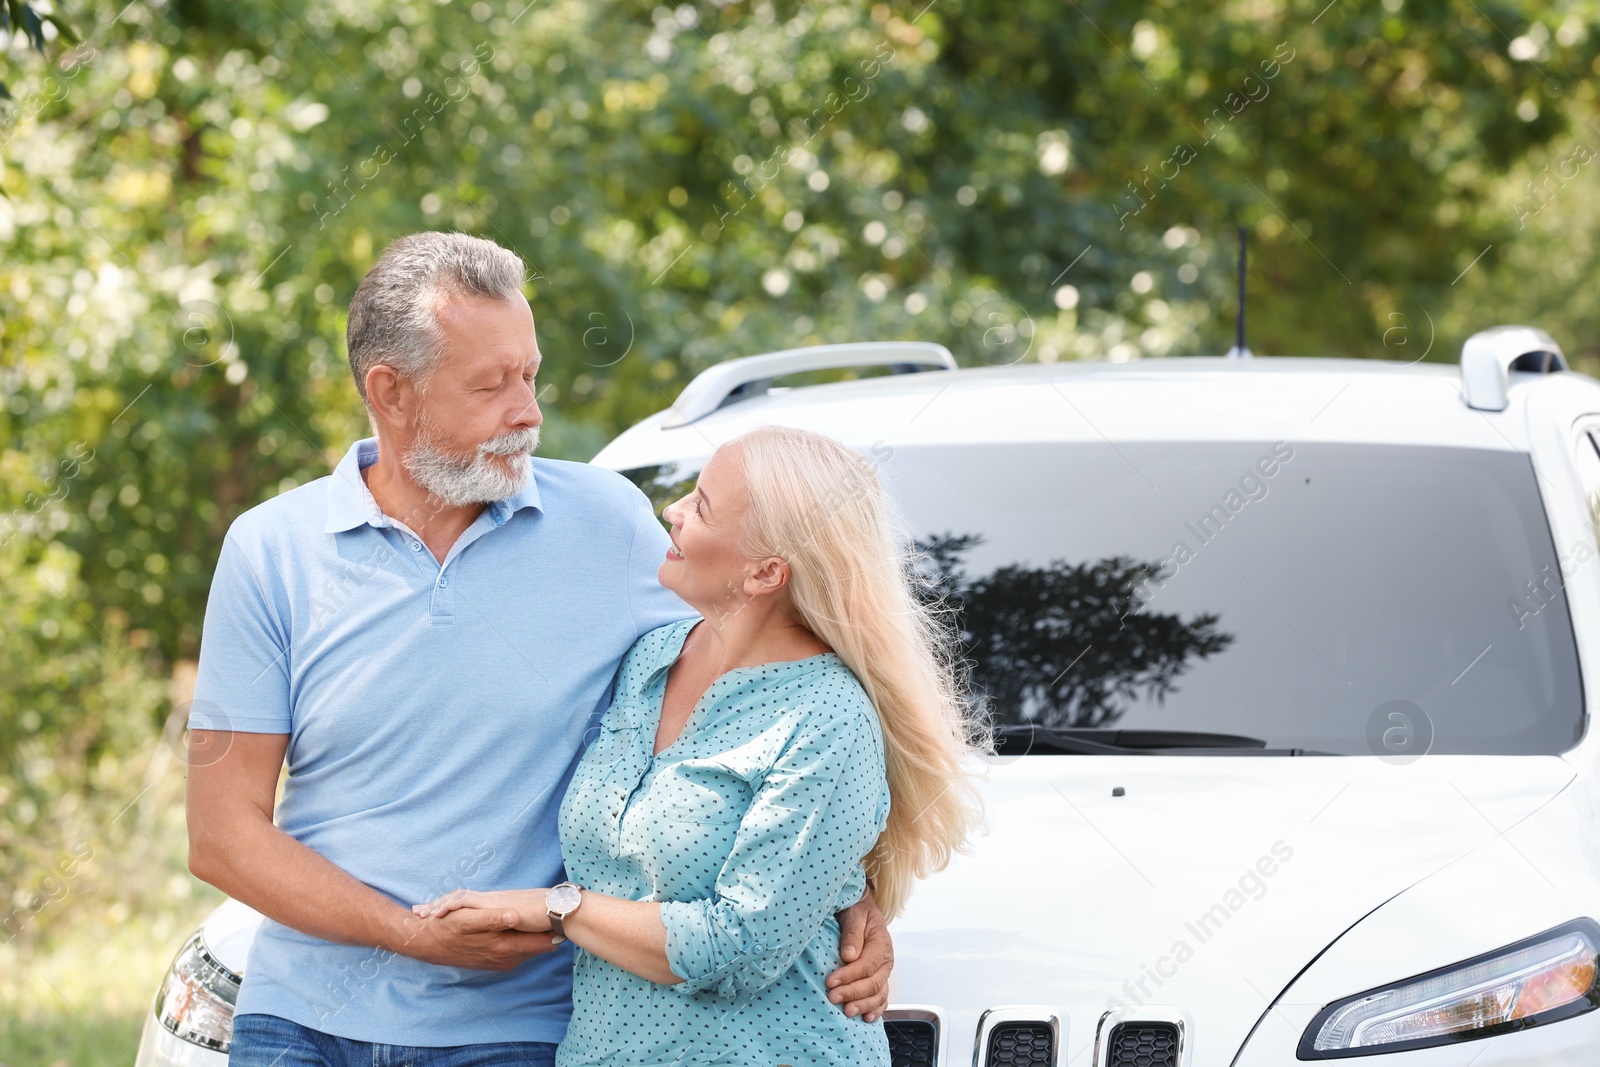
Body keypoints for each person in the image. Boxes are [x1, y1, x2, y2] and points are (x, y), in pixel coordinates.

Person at [185, 232, 894, 1067]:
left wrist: (851, 892)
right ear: (391, 392)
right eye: (491, 386)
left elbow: (780, 696)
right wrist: (412, 936)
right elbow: (223, 833)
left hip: (517, 1031)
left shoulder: (612, 524)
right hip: (300, 1024)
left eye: (531, 373)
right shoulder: (271, 549)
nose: (529, 412)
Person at [414, 424, 987, 1066]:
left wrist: (558, 908)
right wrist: (849, 891)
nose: (672, 511)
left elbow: (738, 949)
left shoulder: (826, 715)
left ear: (767, 572)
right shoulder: (650, 658)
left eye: (703, 506)